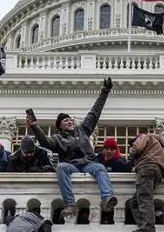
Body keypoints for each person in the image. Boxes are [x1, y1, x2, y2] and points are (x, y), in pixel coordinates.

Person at [27, 79, 117, 219]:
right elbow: (44, 142)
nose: (69, 122)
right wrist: (34, 126)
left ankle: (107, 197)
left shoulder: (83, 129)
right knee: (61, 167)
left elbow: (95, 112)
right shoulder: (57, 139)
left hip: (88, 164)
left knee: (100, 168)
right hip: (72, 166)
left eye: (70, 120)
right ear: (60, 126)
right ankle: (70, 203)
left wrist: (105, 91)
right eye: (65, 121)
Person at [128, 131, 164, 232]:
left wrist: (131, 152)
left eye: (133, 142)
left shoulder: (145, 137)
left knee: (145, 199)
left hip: (146, 167)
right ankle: (144, 228)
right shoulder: (157, 143)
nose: (132, 144)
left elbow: (137, 149)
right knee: (134, 202)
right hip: (156, 171)